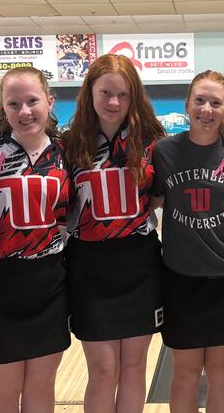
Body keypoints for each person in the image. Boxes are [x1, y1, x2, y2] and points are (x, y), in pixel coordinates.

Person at [62, 54, 165, 413]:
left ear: (134, 96)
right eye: (105, 92)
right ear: (89, 93)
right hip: (89, 267)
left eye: (123, 95)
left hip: (139, 263)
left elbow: (156, 199)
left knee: (135, 367)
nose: (114, 103)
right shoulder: (70, 144)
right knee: (103, 370)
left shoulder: (151, 141)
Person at [0, 66, 70, 413]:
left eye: (32, 101)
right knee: (3, 389)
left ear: (49, 102)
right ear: (3, 108)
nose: (24, 112)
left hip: (50, 280)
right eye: (14, 104)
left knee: (41, 386)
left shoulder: (65, 153)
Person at [152, 70, 224, 413]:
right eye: (200, 100)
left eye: (215, 102)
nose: (206, 109)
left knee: (221, 373)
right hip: (180, 277)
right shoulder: (165, 151)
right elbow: (151, 202)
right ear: (187, 104)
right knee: (184, 373)